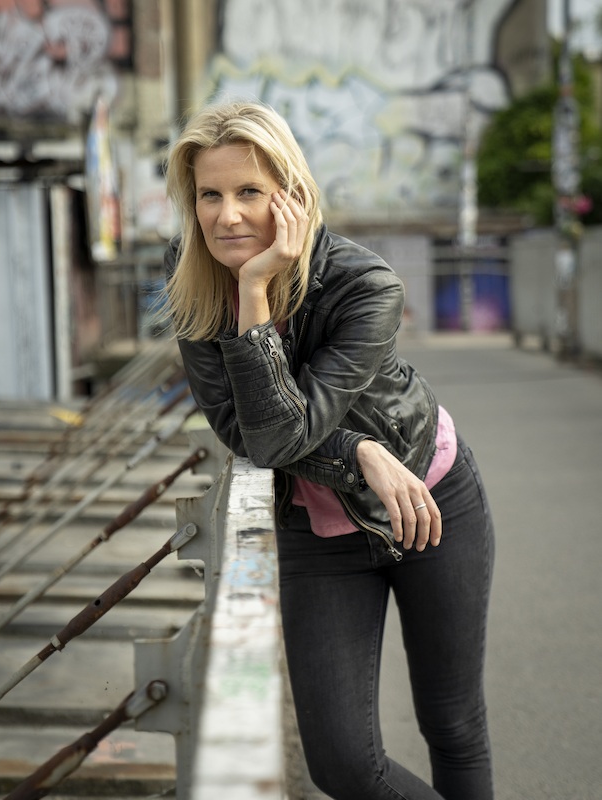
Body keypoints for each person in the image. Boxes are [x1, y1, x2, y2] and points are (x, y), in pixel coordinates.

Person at [162, 100, 495, 800]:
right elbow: (247, 432)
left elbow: (282, 434)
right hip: (316, 529)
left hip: (430, 500)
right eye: (209, 195)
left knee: (453, 724)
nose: (227, 216)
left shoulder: (363, 284)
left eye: (249, 191)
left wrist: (358, 447)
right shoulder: (192, 277)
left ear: (291, 194)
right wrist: (253, 289)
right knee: (341, 764)